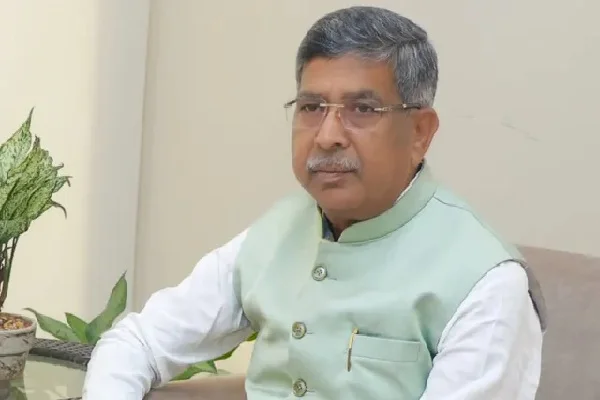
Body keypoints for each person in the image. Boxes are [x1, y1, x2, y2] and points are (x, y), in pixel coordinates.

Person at [83, 6, 546, 400]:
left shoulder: (487, 285)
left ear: (420, 133)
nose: (327, 136)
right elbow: (137, 342)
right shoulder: (279, 231)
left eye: (362, 109)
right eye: (311, 107)